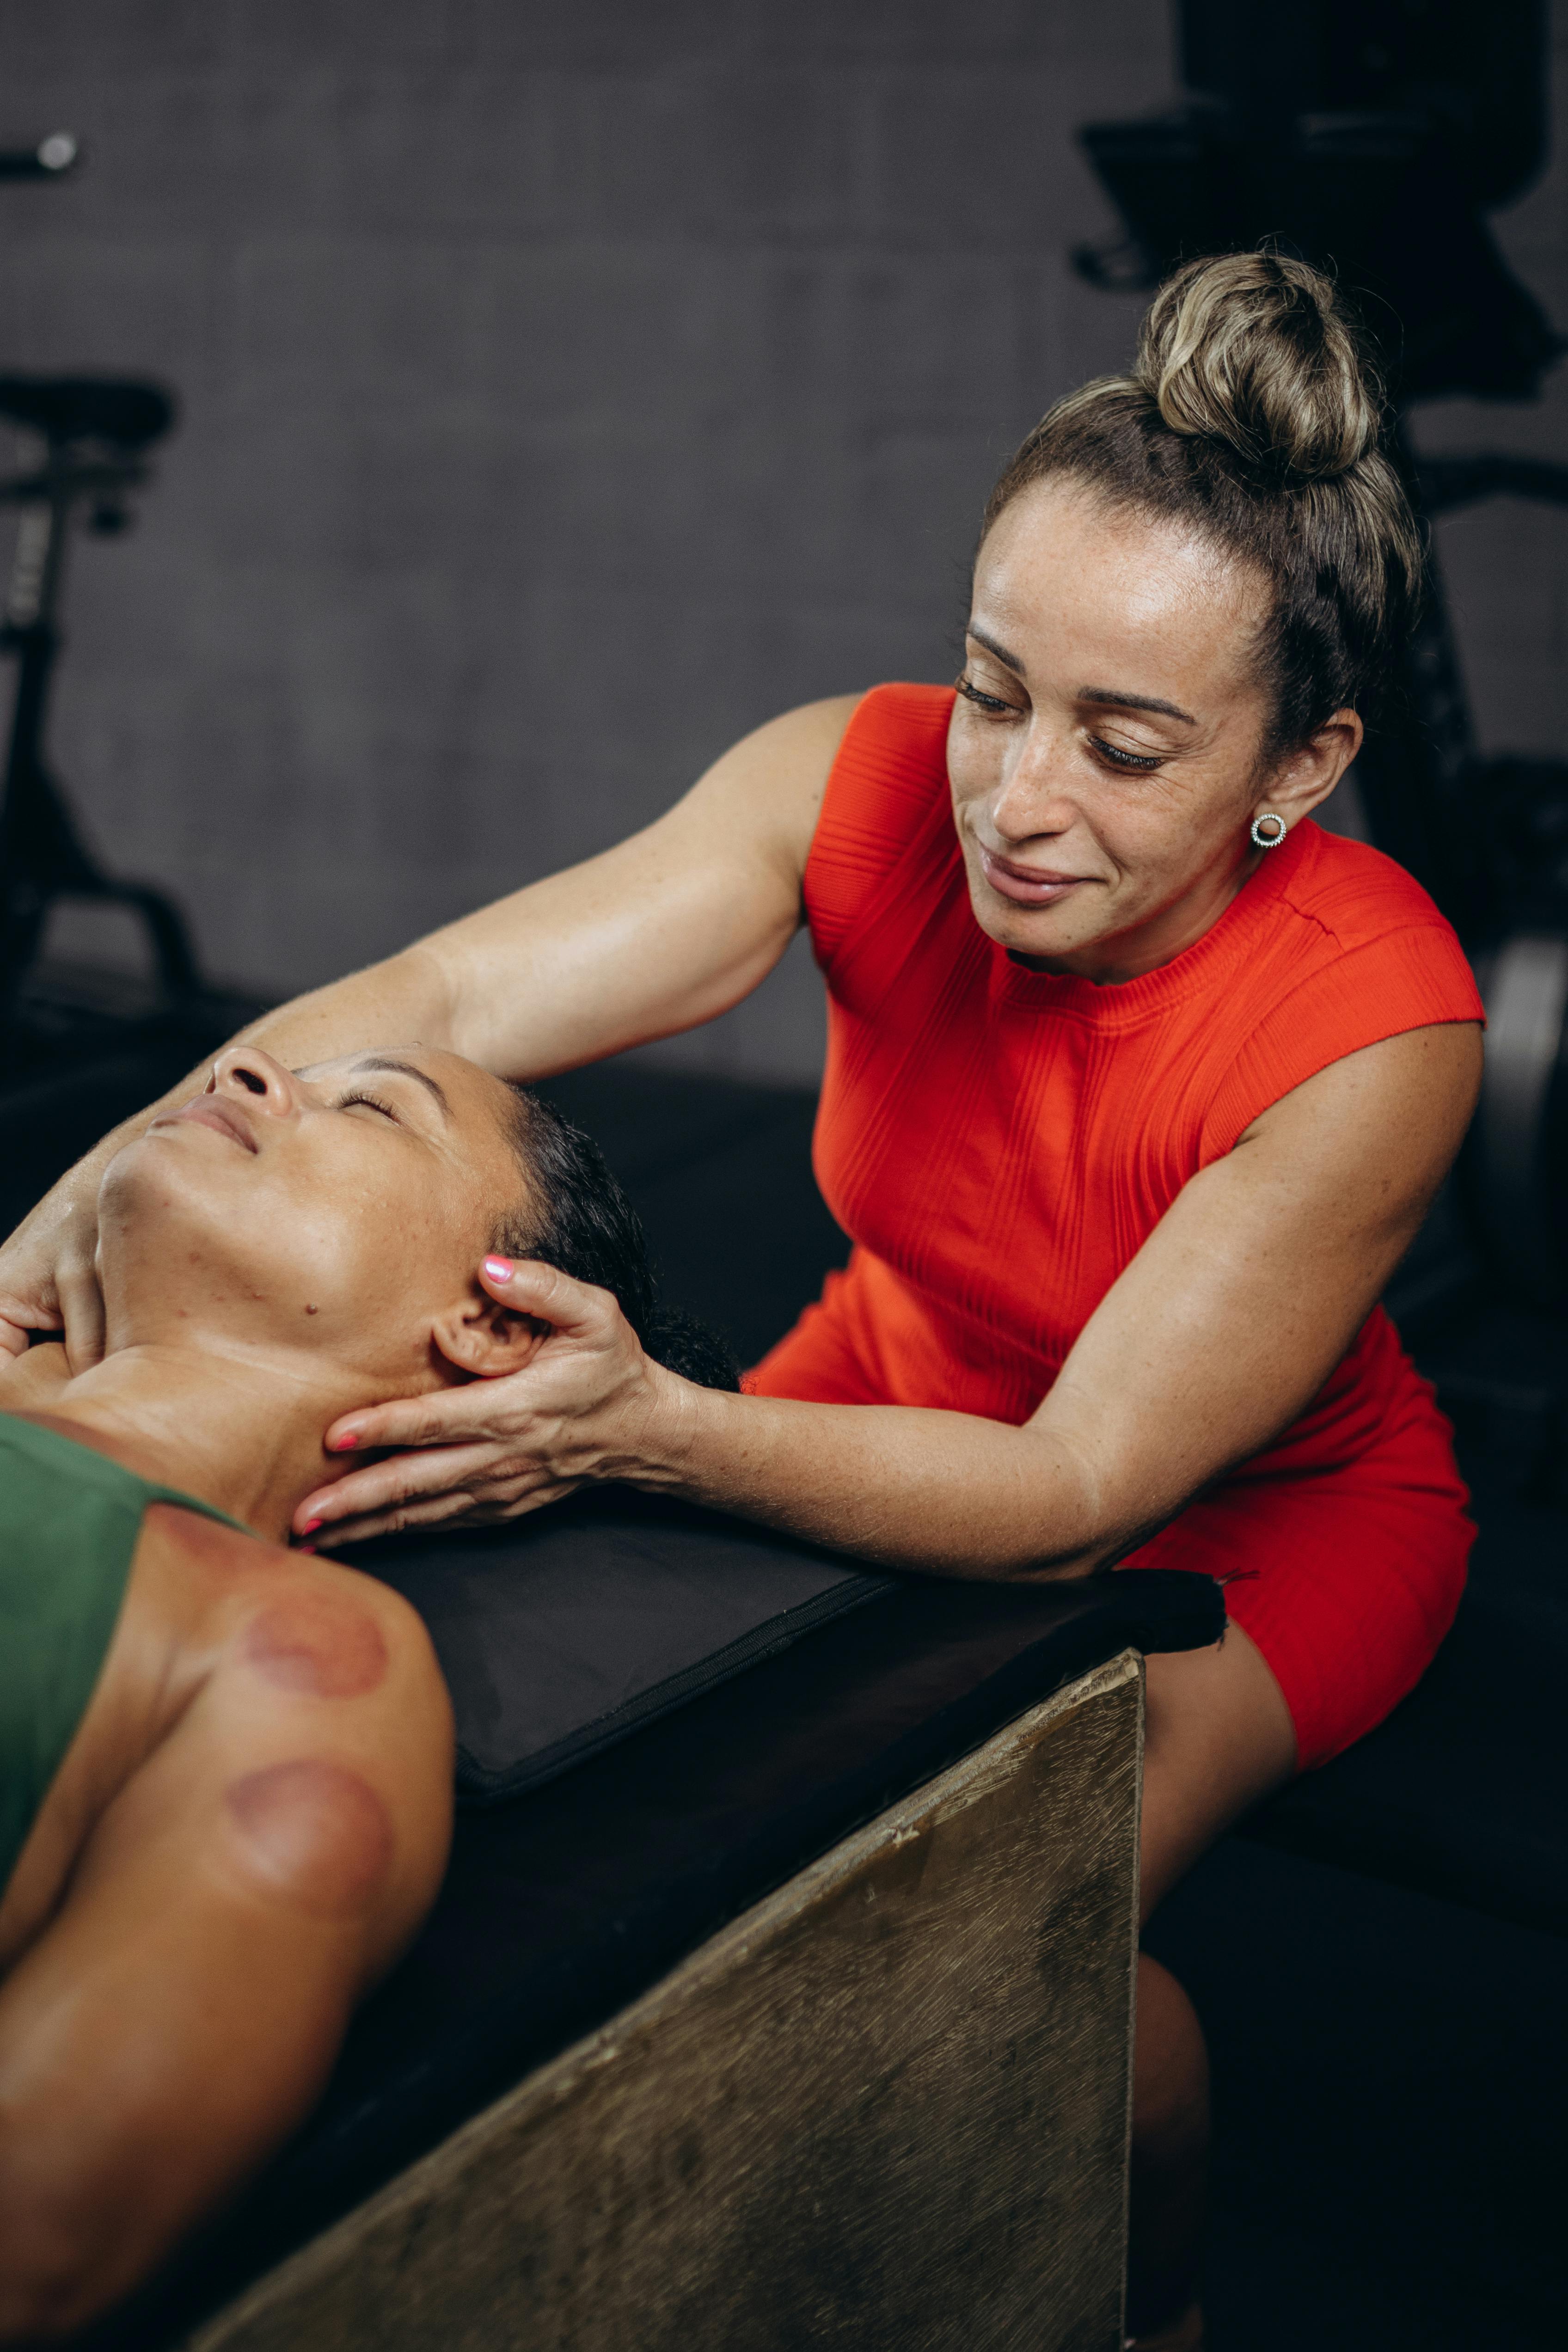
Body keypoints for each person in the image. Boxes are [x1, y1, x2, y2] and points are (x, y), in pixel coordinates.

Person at [1, 253, 1484, 2350]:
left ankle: (1134, 2272)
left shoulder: (1375, 1024)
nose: (1015, 795)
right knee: (655, 1805)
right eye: (992, 690)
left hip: (1243, 1514)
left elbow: (1071, 1485)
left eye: (1124, 744)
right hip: (871, 1378)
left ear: (1299, 764)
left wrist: (646, 1426)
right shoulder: (850, 783)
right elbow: (432, 1001)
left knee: (989, 1914)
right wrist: (79, 1193)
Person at [0, 1040, 725, 2340]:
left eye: (371, 1104)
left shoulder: (291, 1655)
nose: (251, 1071)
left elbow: (37, 2244)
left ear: (496, 1326)